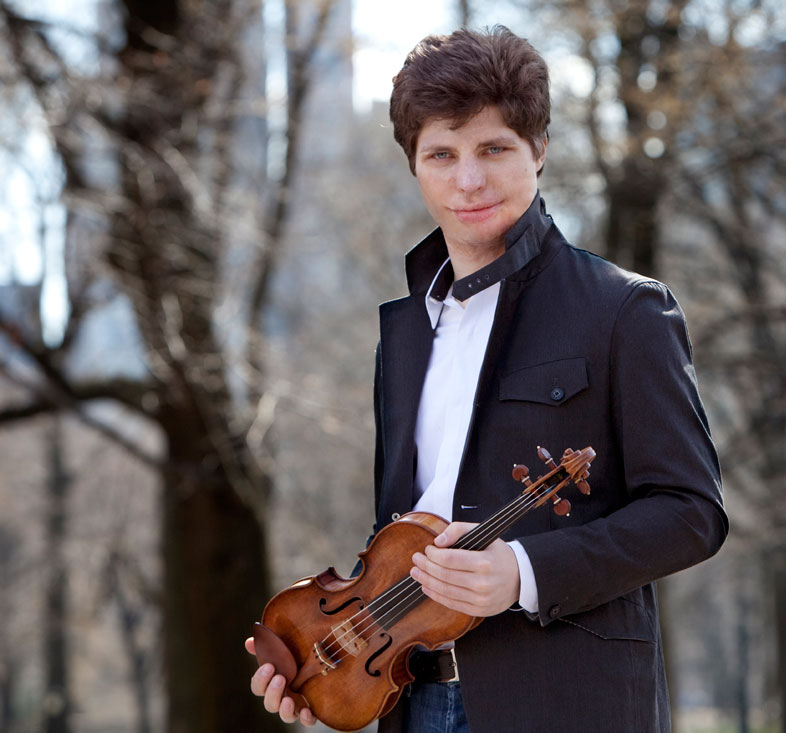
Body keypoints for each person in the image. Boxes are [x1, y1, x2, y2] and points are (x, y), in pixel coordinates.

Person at [248, 25, 727, 732]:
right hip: (411, 701)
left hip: (563, 700)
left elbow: (692, 512)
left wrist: (526, 571)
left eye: (493, 149)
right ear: (414, 165)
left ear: (538, 151)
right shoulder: (404, 335)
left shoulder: (624, 309)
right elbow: (402, 534)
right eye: (441, 154)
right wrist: (328, 666)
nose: (467, 179)